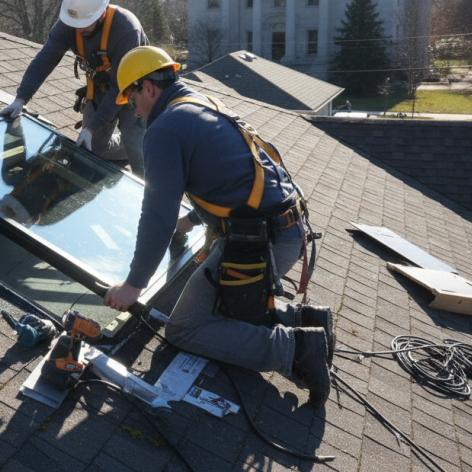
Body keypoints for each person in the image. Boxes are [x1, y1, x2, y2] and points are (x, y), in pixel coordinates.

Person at [102, 46, 335, 408]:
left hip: (261, 242)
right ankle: (306, 319)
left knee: (187, 328)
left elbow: (157, 214)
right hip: (283, 228)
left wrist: (134, 285)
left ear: (148, 88)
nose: (131, 108)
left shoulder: (163, 129)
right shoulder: (198, 102)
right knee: (220, 309)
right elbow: (230, 174)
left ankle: (299, 350)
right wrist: (194, 219)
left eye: (130, 96)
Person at [0, 0, 148, 175]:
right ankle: (127, 145)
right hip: (102, 89)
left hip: (135, 91)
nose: (79, 29)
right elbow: (44, 61)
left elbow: (120, 89)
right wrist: (20, 100)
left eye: (85, 23)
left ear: (101, 12)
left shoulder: (126, 29)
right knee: (95, 148)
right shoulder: (70, 24)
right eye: (75, 23)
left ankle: (144, 150)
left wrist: (91, 128)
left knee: (138, 152)